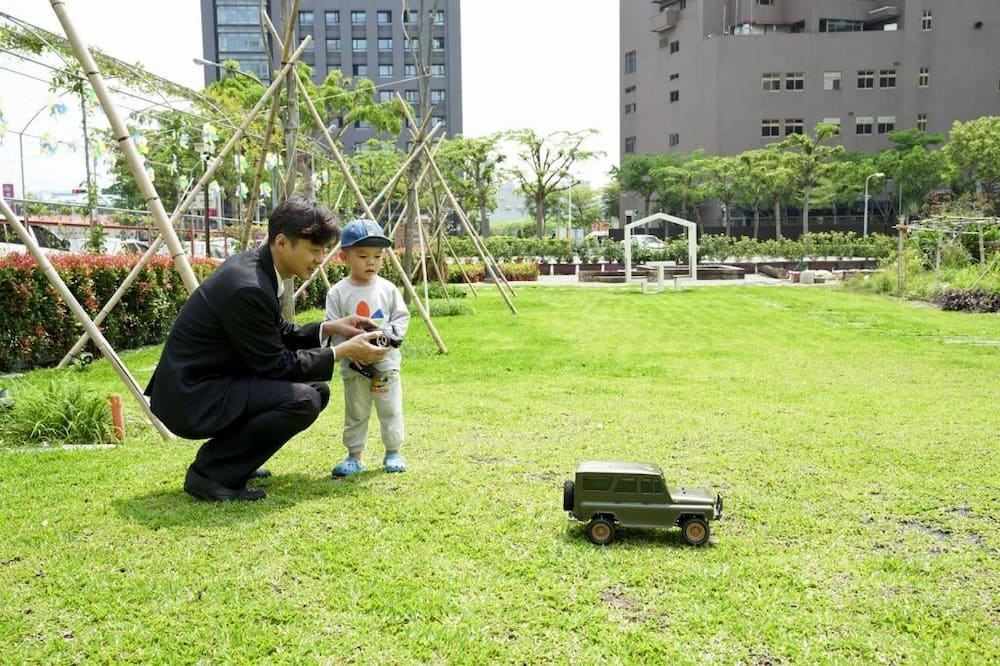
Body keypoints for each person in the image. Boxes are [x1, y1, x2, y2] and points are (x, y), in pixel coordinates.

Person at [146, 196, 389, 502]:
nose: (319, 259)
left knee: (316, 391)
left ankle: (235, 462)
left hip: (213, 383)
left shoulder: (257, 269)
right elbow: (273, 365)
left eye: (323, 251)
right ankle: (210, 474)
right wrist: (342, 352)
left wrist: (331, 328)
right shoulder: (249, 285)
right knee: (302, 400)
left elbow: (276, 334)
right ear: (282, 242)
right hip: (193, 396)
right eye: (314, 250)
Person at [324, 219, 410, 477]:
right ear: (345, 256)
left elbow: (401, 318)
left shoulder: (388, 289)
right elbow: (333, 327)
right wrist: (349, 351)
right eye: (362, 256)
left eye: (377, 256)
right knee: (356, 410)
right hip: (354, 365)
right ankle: (354, 456)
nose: (370, 262)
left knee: (390, 407)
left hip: (385, 362)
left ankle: (393, 451)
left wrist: (388, 339)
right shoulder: (338, 293)